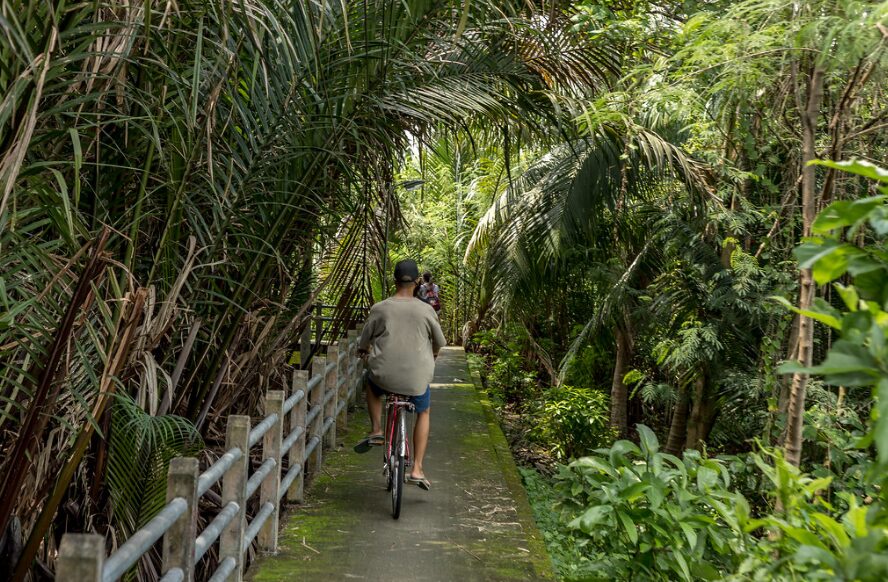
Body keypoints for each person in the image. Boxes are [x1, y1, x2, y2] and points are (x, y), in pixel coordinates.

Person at [354, 259, 447, 491]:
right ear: (417, 282)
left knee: (372, 385)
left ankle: (376, 430)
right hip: (416, 379)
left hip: (384, 375)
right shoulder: (426, 310)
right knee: (423, 410)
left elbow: (364, 340)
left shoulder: (380, 308)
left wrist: (363, 350)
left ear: (394, 280)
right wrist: (432, 355)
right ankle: (416, 467)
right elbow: (438, 343)